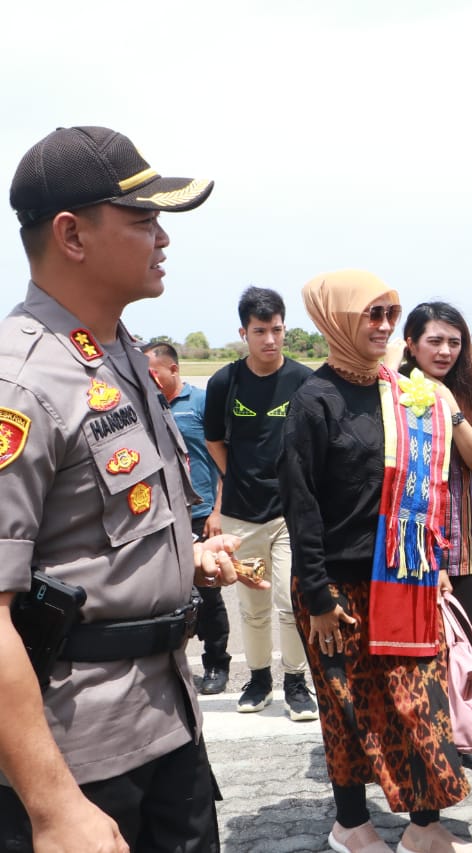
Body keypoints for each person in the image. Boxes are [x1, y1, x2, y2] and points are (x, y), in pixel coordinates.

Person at [0, 125, 250, 851]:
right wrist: (53, 807)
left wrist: (180, 562)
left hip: (167, 726)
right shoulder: (21, 381)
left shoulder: (119, 354)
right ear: (72, 235)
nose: (162, 238)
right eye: (142, 220)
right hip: (79, 757)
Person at [279, 270, 472, 853]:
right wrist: (317, 596)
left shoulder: (404, 390)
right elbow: (301, 505)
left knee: (419, 700)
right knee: (348, 707)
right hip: (336, 588)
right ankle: (352, 824)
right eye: (372, 314)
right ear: (339, 319)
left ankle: (424, 825)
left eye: (390, 314)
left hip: (404, 577)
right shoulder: (313, 401)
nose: (385, 326)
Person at [204, 286, 317, 720]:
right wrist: (237, 476)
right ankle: (259, 680)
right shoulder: (224, 381)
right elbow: (214, 438)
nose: (270, 339)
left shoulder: (305, 381)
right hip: (240, 514)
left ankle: (295, 682)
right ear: (243, 333)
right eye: (259, 331)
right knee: (252, 608)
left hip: (289, 513)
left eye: (276, 330)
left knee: (291, 603)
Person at [400, 303, 472, 627]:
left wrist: (451, 408)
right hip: (405, 545)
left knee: (458, 648)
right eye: (435, 341)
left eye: (454, 343)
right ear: (411, 344)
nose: (445, 351)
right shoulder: (391, 390)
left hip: (460, 548)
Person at [144, 340, 230, 695]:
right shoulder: (143, 405)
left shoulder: (200, 403)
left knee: (208, 594)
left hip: (200, 515)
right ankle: (171, 667)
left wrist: (217, 511)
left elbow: (224, 461)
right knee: (163, 595)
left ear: (173, 370)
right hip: (160, 517)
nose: (147, 378)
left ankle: (216, 663)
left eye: (153, 372)